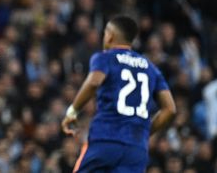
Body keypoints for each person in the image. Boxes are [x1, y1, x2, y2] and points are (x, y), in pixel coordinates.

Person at [61, 16, 176, 172]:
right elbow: (170, 108)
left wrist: (72, 111)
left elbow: (94, 81)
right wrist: (145, 132)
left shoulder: (105, 58)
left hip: (106, 140)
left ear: (110, 35)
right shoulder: (151, 68)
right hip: (136, 149)